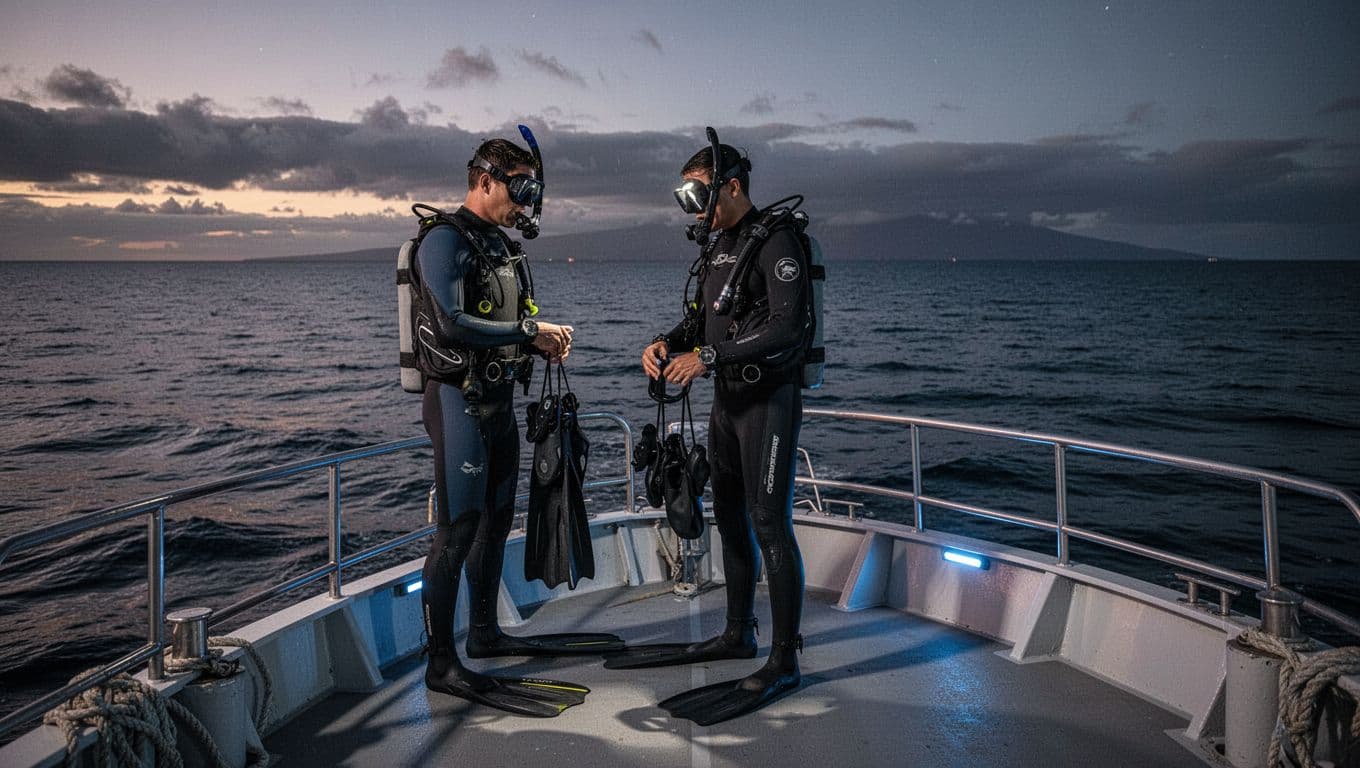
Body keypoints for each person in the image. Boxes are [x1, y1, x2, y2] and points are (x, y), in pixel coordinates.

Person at [409, 136, 621, 717]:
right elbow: (452, 322)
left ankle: (484, 633)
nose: (527, 202)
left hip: (500, 403)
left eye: (534, 190)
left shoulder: (498, 246)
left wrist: (536, 335)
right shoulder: (445, 239)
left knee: (497, 521)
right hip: (459, 402)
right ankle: (440, 663)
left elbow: (507, 317)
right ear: (485, 180)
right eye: (520, 188)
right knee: (456, 531)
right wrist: (530, 335)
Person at [616, 142, 812, 725]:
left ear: (731, 186)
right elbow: (702, 323)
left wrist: (706, 354)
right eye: (684, 197)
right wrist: (667, 342)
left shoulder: (776, 239)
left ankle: (784, 659)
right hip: (727, 406)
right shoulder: (719, 248)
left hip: (767, 403)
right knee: (729, 517)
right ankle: (737, 634)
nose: (691, 207)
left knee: (769, 523)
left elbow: (788, 327)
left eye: (697, 193)